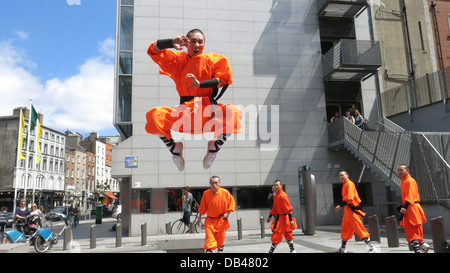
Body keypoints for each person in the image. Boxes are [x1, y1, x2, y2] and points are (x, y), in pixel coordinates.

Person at [145, 29, 243, 171]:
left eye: (200, 42)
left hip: (209, 112)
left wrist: (200, 84)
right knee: (154, 115)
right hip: (184, 113)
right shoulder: (177, 60)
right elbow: (153, 50)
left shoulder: (213, 59)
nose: (197, 45)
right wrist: (171, 42)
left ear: (204, 44)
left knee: (234, 111)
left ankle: (214, 147)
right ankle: (174, 148)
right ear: (186, 42)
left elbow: (222, 80)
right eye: (193, 41)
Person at [334, 171, 376, 253]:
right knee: (345, 229)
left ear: (347, 175)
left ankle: (372, 248)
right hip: (348, 211)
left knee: (359, 229)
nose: (341, 177)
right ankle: (343, 248)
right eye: (339, 176)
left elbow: (349, 198)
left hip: (352, 211)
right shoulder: (345, 184)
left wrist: (339, 206)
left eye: (342, 175)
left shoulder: (349, 183)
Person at [196, 176, 235, 253]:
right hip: (209, 221)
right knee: (209, 241)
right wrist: (199, 218)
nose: (214, 185)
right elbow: (202, 207)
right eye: (212, 183)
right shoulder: (206, 193)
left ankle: (219, 250)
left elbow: (232, 204)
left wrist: (227, 213)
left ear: (219, 183)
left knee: (220, 241)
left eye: (216, 183)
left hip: (221, 221)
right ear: (210, 183)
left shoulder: (225, 192)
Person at [397, 164, 430, 253]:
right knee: (413, 230)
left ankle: (419, 249)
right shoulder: (405, 181)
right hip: (410, 208)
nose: (399, 172)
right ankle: (423, 245)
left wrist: (405, 207)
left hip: (412, 208)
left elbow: (410, 196)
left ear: (407, 170)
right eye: (398, 170)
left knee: (412, 231)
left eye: (401, 170)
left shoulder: (409, 181)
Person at [266, 180, 298, 253]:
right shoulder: (277, 196)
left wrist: (290, 220)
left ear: (281, 186)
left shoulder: (283, 196)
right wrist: (270, 216)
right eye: (274, 185)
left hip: (284, 218)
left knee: (278, 233)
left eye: (277, 185)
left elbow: (288, 208)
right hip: (280, 218)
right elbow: (274, 207)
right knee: (286, 233)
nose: (275, 187)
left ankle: (271, 251)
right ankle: (292, 250)